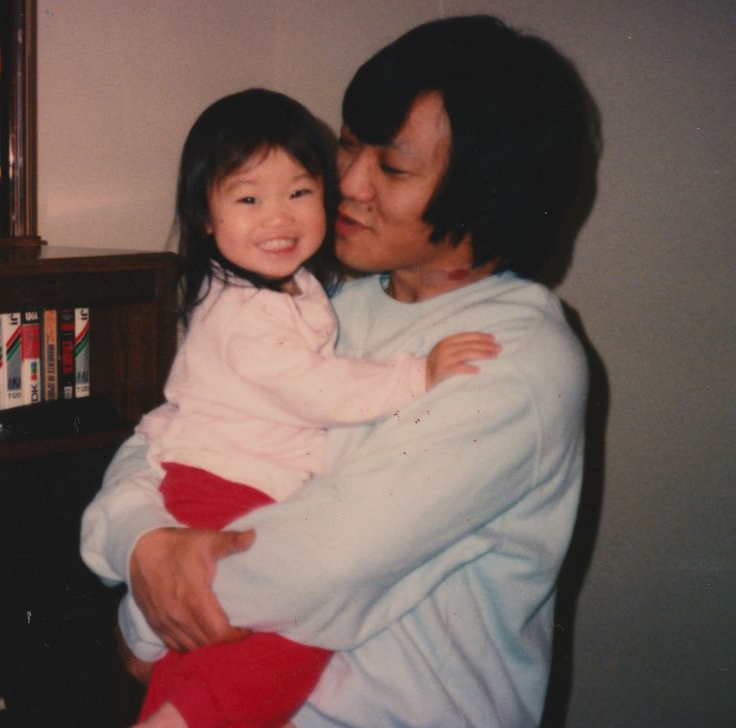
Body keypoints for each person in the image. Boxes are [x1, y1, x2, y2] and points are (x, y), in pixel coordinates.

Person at [82, 14, 594, 728]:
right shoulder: (325, 302)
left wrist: (146, 613)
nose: (345, 182)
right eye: (348, 146)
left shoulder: (510, 360)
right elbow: (174, 428)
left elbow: (318, 560)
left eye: (391, 167)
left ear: (489, 191)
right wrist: (139, 541)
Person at [113, 87, 499, 728]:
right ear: (206, 218)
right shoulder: (243, 313)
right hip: (225, 487)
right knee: (290, 641)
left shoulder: (297, 287)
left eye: (299, 193)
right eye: (248, 199)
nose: (278, 218)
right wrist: (418, 374)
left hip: (228, 481)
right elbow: (319, 388)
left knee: (221, 641)